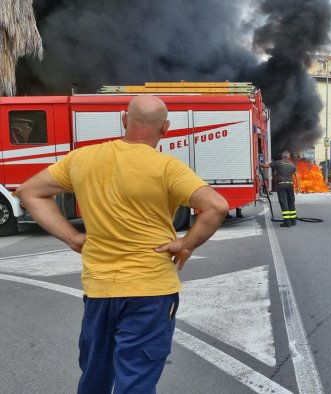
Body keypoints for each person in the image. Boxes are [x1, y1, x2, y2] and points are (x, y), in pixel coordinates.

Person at [15, 95, 229, 393]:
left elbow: (29, 192)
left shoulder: (82, 158)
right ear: (165, 128)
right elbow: (216, 206)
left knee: (94, 377)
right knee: (136, 380)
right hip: (151, 292)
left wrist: (73, 237)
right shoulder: (167, 167)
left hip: (100, 291)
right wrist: (186, 245)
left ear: (124, 120)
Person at [262, 151, 299, 227]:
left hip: (282, 185)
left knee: (284, 202)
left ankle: (287, 222)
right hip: (290, 185)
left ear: (282, 156)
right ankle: (293, 221)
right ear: (288, 157)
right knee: (291, 202)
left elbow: (266, 166)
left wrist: (259, 165)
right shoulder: (292, 165)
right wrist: (298, 187)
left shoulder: (278, 162)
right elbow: (297, 176)